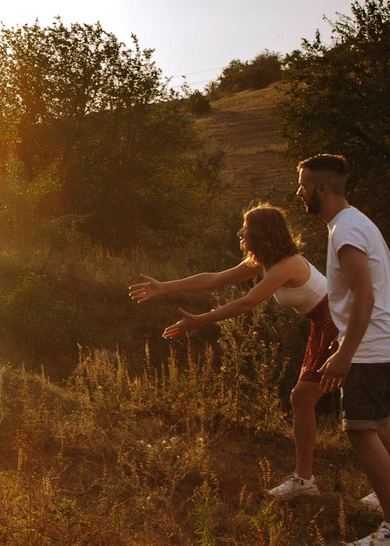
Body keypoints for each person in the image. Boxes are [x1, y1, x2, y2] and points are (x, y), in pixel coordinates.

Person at [129, 203, 336, 495]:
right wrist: (164, 287)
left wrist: (200, 320)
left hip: (337, 324)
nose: (240, 232)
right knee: (315, 400)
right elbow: (214, 278)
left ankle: (308, 481)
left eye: (246, 228)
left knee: (318, 401)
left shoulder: (287, 264)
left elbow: (247, 302)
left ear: (262, 233)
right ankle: (307, 480)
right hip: (325, 324)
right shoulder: (263, 262)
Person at [296, 153, 390, 546]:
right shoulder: (354, 223)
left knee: (359, 430)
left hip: (370, 348)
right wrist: (341, 345)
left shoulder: (347, 230)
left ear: (322, 188)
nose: (298, 192)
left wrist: (344, 354)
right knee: (381, 422)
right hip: (380, 342)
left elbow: (365, 296)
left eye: (302, 185)